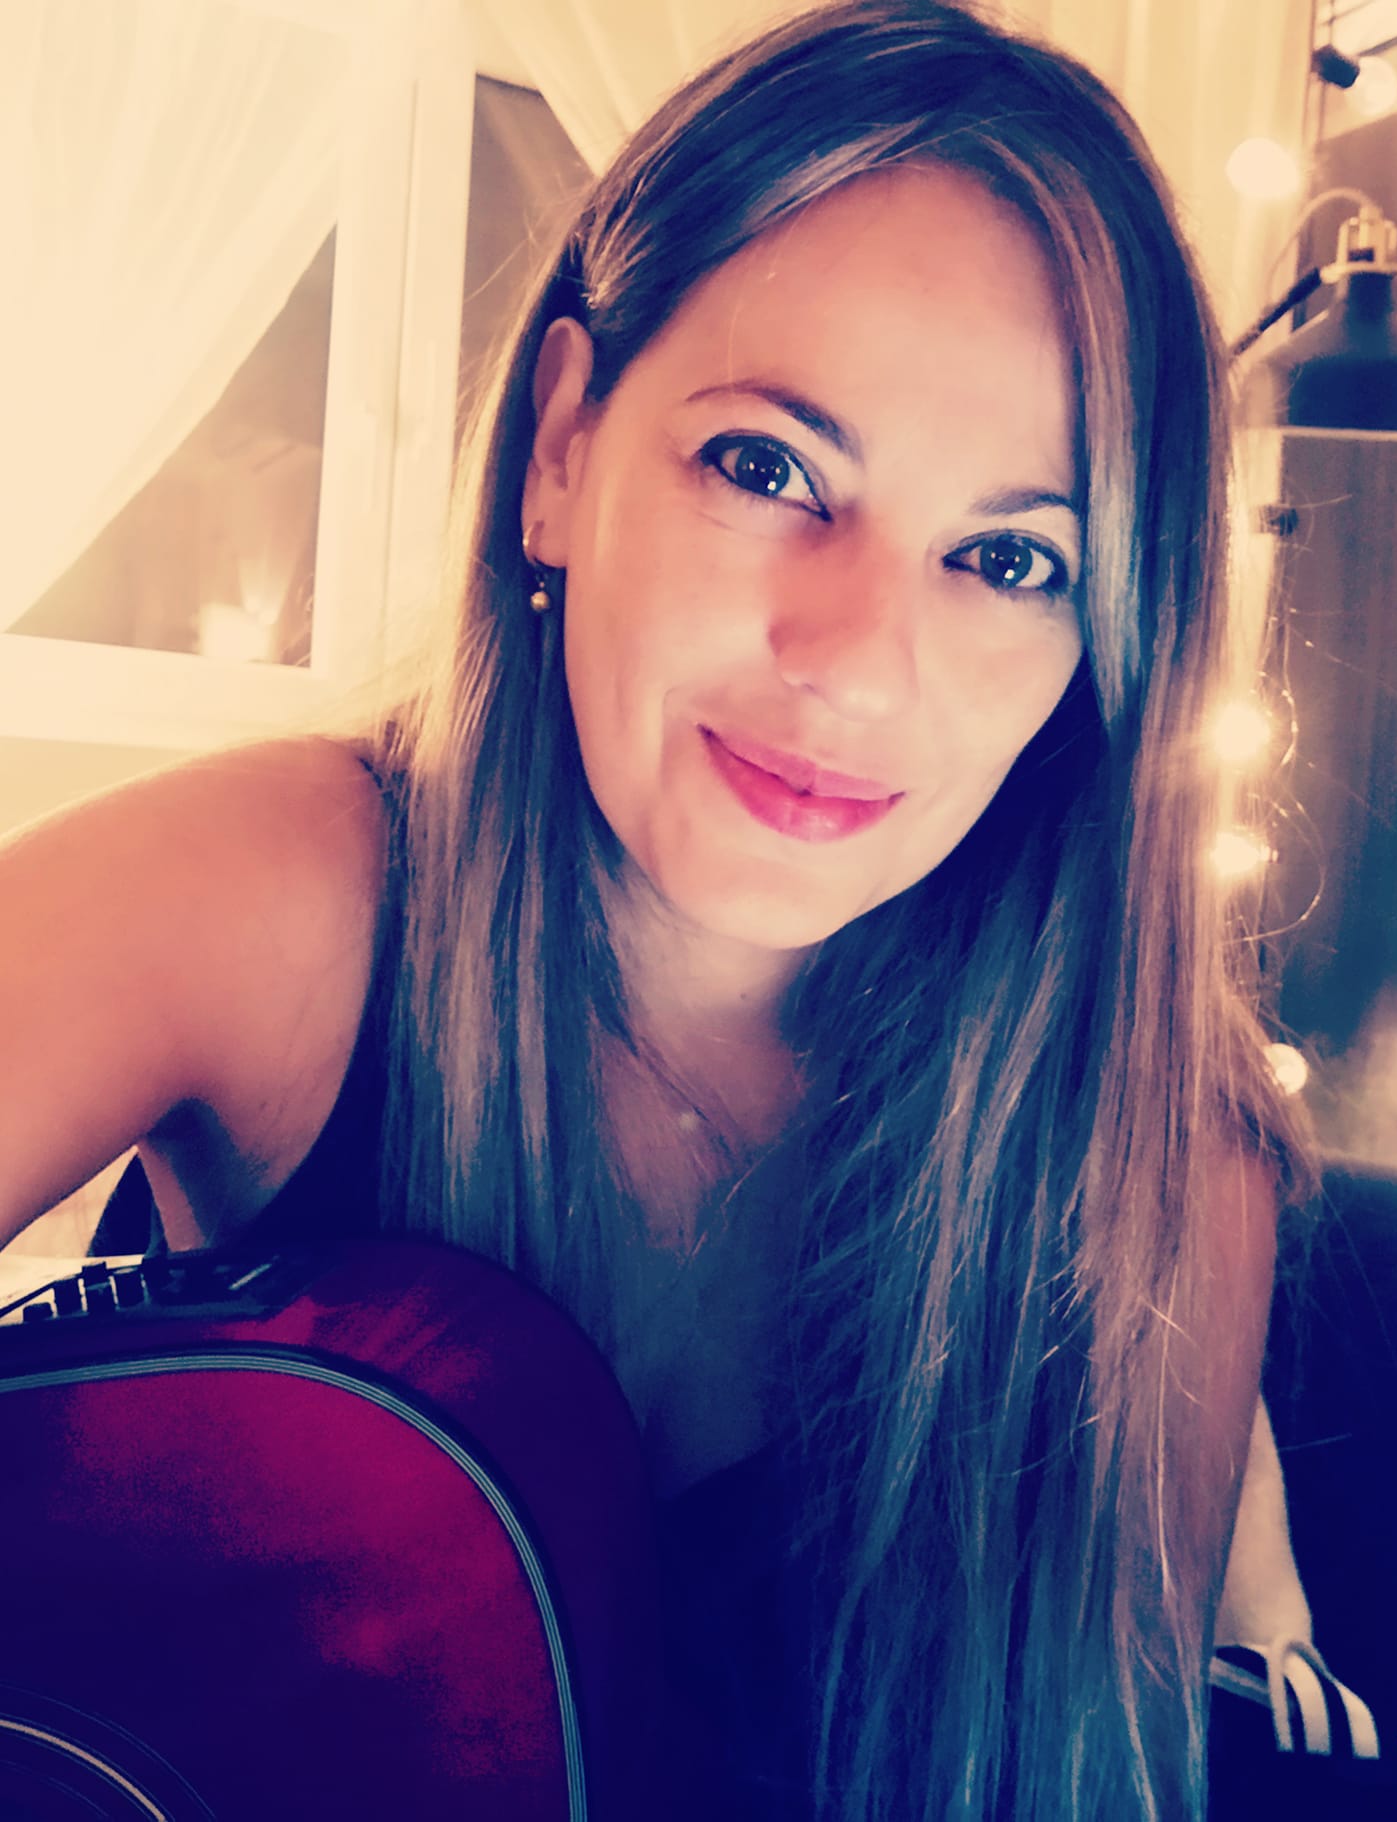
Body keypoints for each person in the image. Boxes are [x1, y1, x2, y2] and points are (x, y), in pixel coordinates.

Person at [0, 1, 1325, 1815]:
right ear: (561, 447)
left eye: (1009, 558)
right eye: (768, 468)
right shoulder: (281, 890)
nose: (855, 661)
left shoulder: (1165, 1171)